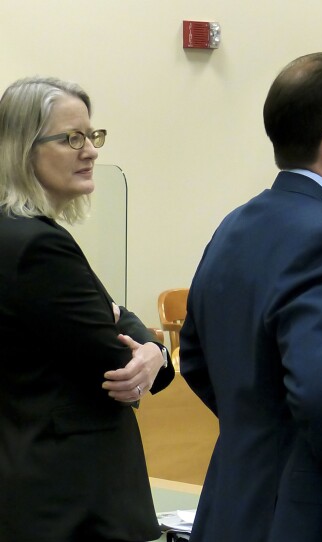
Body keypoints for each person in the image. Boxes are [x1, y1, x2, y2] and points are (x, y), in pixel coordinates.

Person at [179, 52, 322, 542]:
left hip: (230, 505)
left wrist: (264, 433)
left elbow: (195, 359)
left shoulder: (235, 226)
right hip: (299, 519)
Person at [0, 77, 175, 540]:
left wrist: (148, 343)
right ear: (23, 149)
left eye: (92, 136)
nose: (91, 151)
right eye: (71, 138)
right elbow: (117, 356)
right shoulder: (37, 245)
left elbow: (107, 315)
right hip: (70, 499)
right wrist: (150, 345)